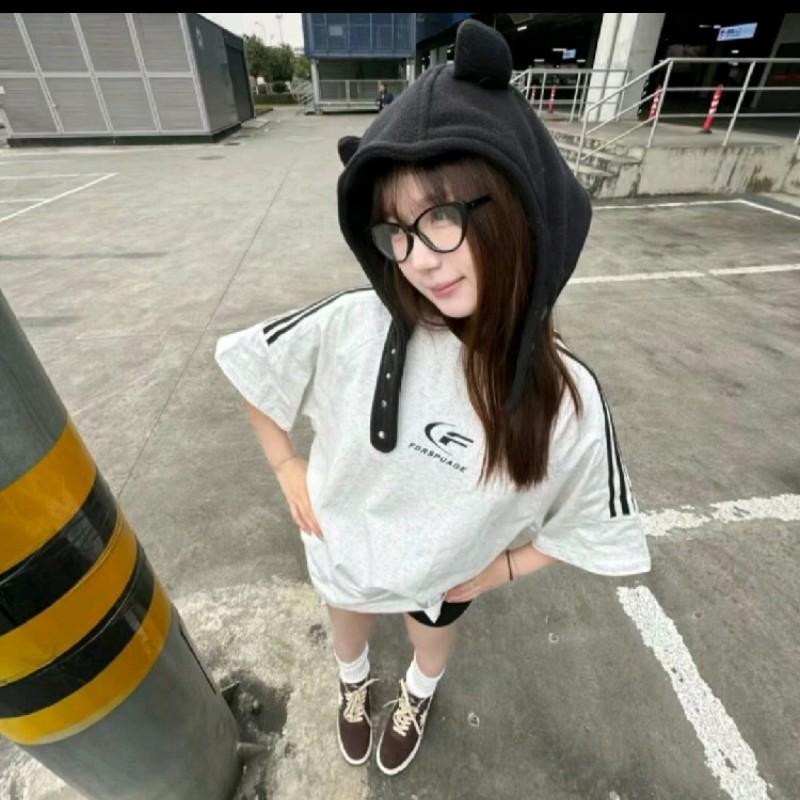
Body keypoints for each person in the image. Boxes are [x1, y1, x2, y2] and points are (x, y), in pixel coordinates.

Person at [215, 19, 650, 776]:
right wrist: (285, 465)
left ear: (516, 205)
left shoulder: (568, 400)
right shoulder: (354, 323)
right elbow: (256, 366)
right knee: (347, 625)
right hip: (344, 549)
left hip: (444, 575)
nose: (417, 259)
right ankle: (353, 685)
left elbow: (593, 523)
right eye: (397, 232)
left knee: (430, 634)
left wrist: (497, 571)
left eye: (440, 217)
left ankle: (417, 692)